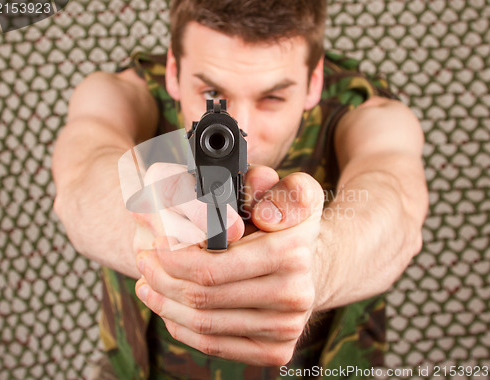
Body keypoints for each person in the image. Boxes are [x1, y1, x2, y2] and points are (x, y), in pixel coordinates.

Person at [52, 0, 428, 378]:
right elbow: (81, 176)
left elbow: (396, 202)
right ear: (173, 70)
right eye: (213, 91)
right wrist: (150, 230)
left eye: (273, 97)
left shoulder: (361, 109)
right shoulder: (126, 93)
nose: (238, 125)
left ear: (315, 81)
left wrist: (319, 265)